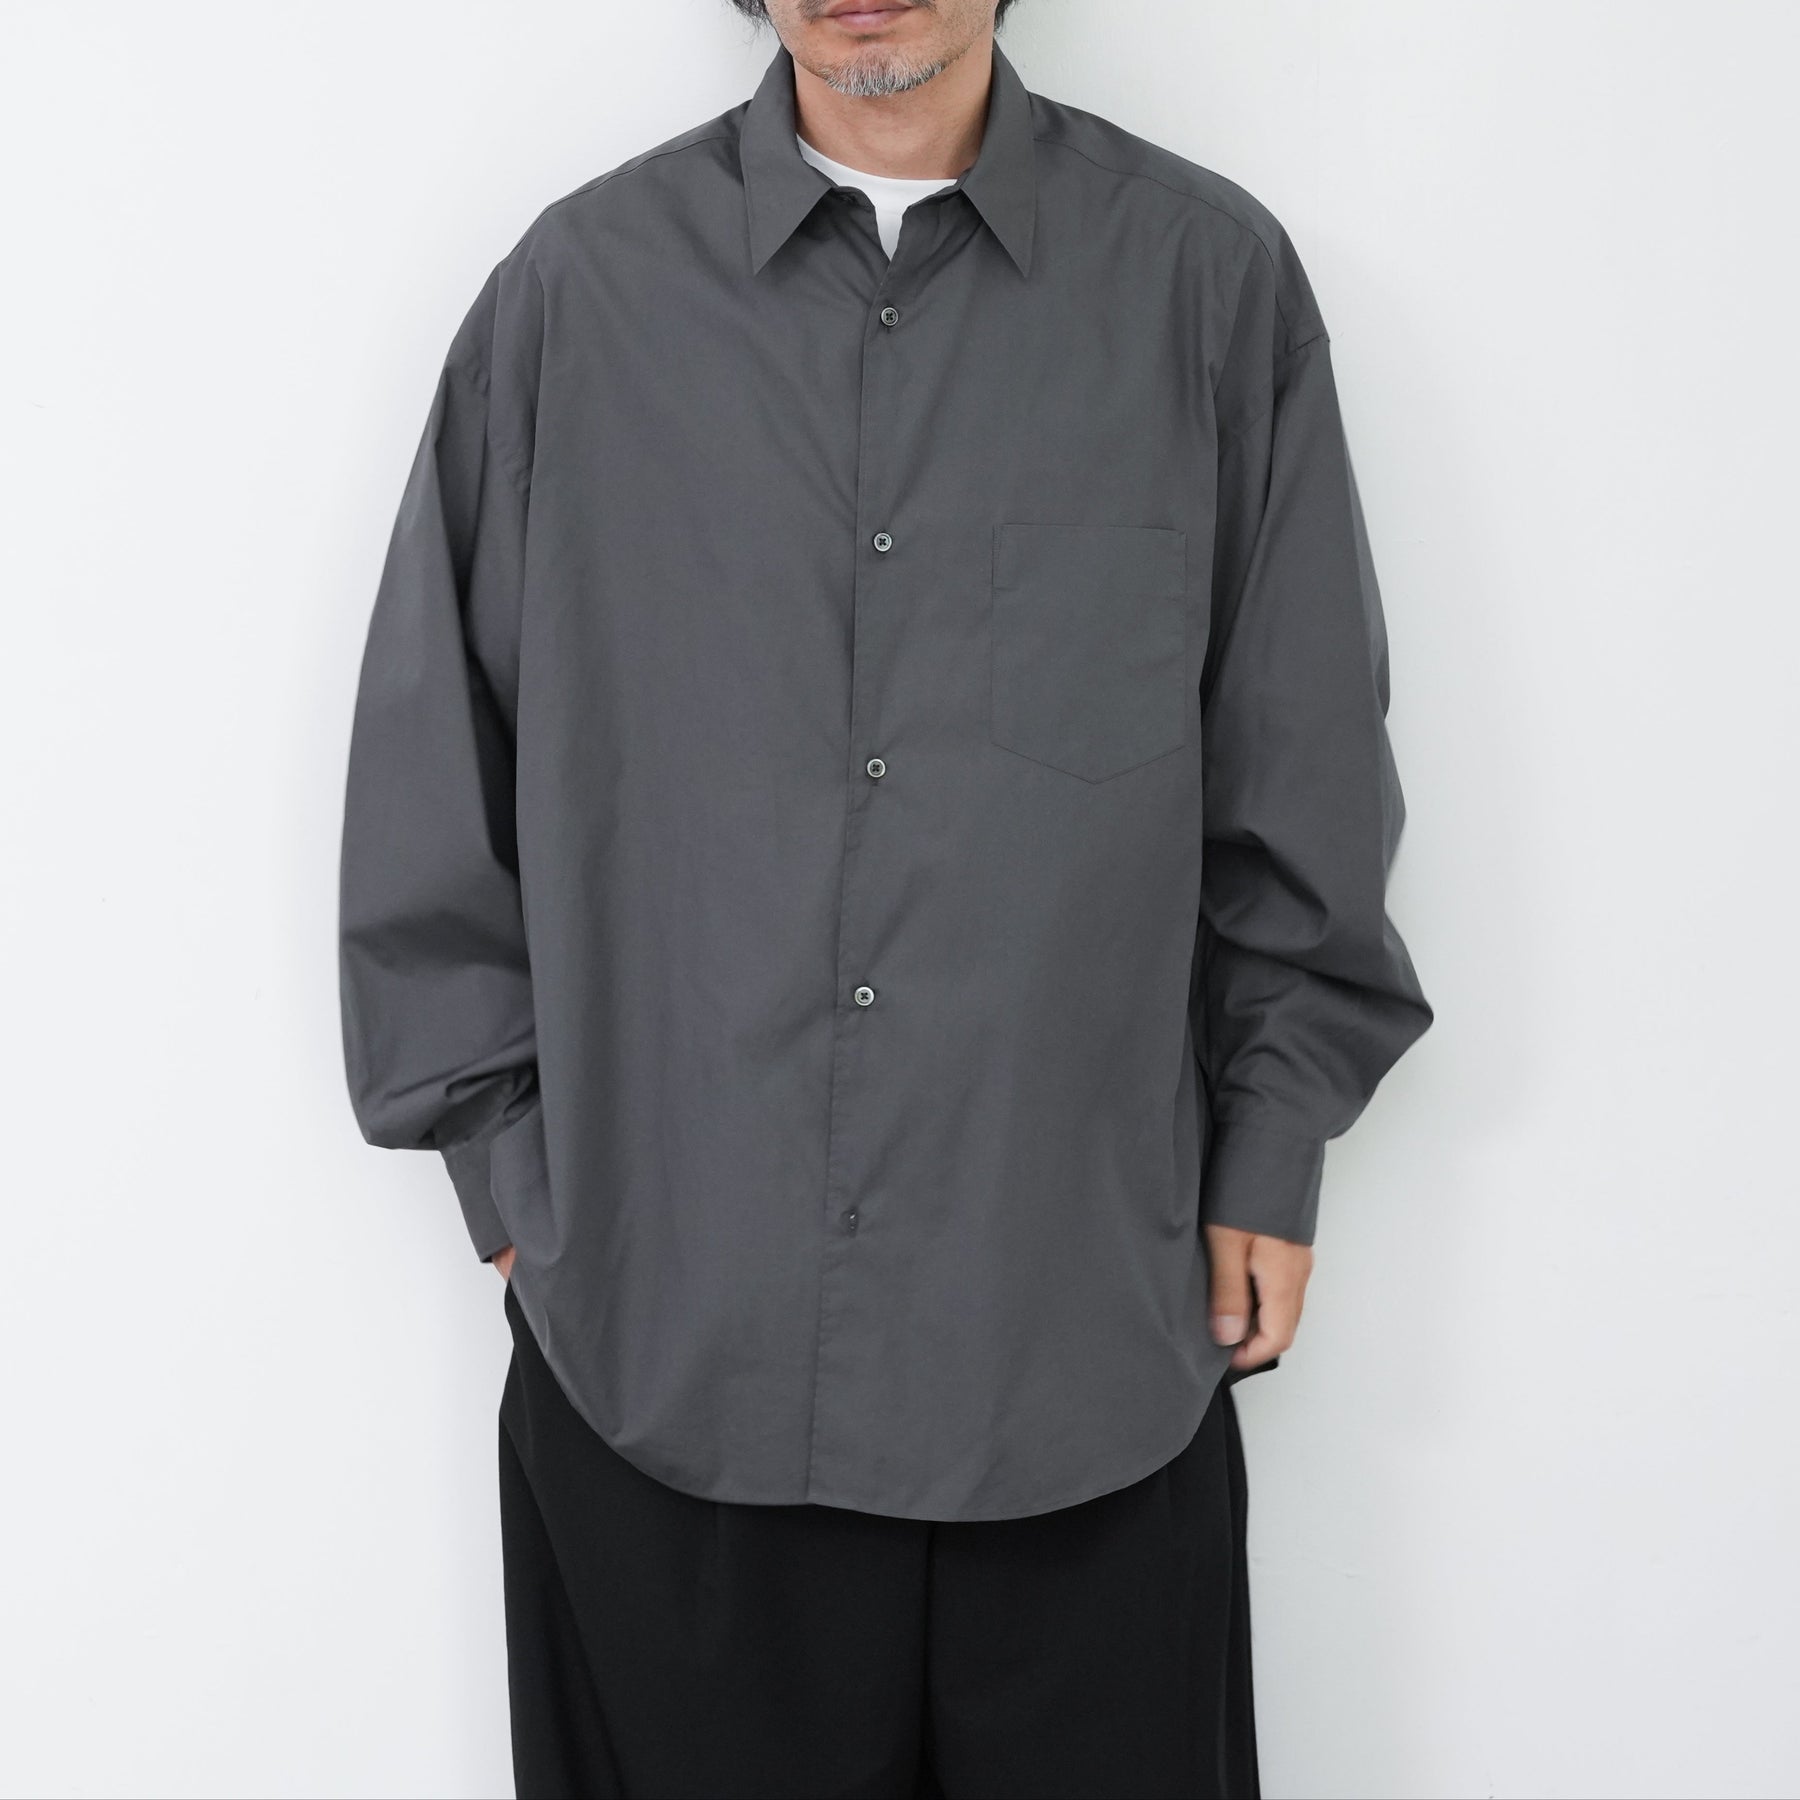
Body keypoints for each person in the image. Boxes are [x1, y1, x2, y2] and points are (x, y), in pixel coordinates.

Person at [336, 1, 1433, 1793]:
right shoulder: (578, 300)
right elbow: (428, 771)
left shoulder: (1205, 290)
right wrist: (521, 1184)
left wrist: (1273, 1139)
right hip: (668, 1356)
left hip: (1078, 1351)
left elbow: (1296, 757)